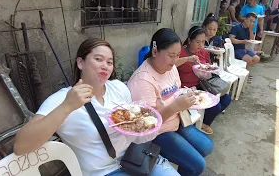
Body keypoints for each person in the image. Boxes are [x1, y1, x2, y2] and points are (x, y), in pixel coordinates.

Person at [13, 38, 180, 176]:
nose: (105, 66)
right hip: (104, 172)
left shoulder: (119, 88)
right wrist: (67, 107)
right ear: (80, 62)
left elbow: (135, 135)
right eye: (98, 59)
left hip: (137, 157)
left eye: (109, 62)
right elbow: (21, 146)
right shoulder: (61, 99)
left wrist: (148, 126)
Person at [127, 28, 214, 176]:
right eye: (171, 56)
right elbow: (146, 125)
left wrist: (187, 98)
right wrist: (175, 106)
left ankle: (183, 166)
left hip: (177, 119)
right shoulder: (142, 80)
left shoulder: (170, 67)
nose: (174, 61)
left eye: (177, 55)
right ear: (155, 51)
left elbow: (176, 91)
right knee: (197, 165)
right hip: (157, 133)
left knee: (207, 147)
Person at [176, 26, 231, 135]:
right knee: (216, 106)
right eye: (197, 42)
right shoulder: (181, 52)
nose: (200, 45)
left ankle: (203, 121)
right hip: (186, 87)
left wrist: (208, 70)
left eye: (203, 42)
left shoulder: (203, 52)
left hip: (202, 83)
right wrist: (187, 59)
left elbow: (208, 67)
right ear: (190, 40)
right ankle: (202, 123)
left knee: (226, 99)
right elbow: (172, 65)